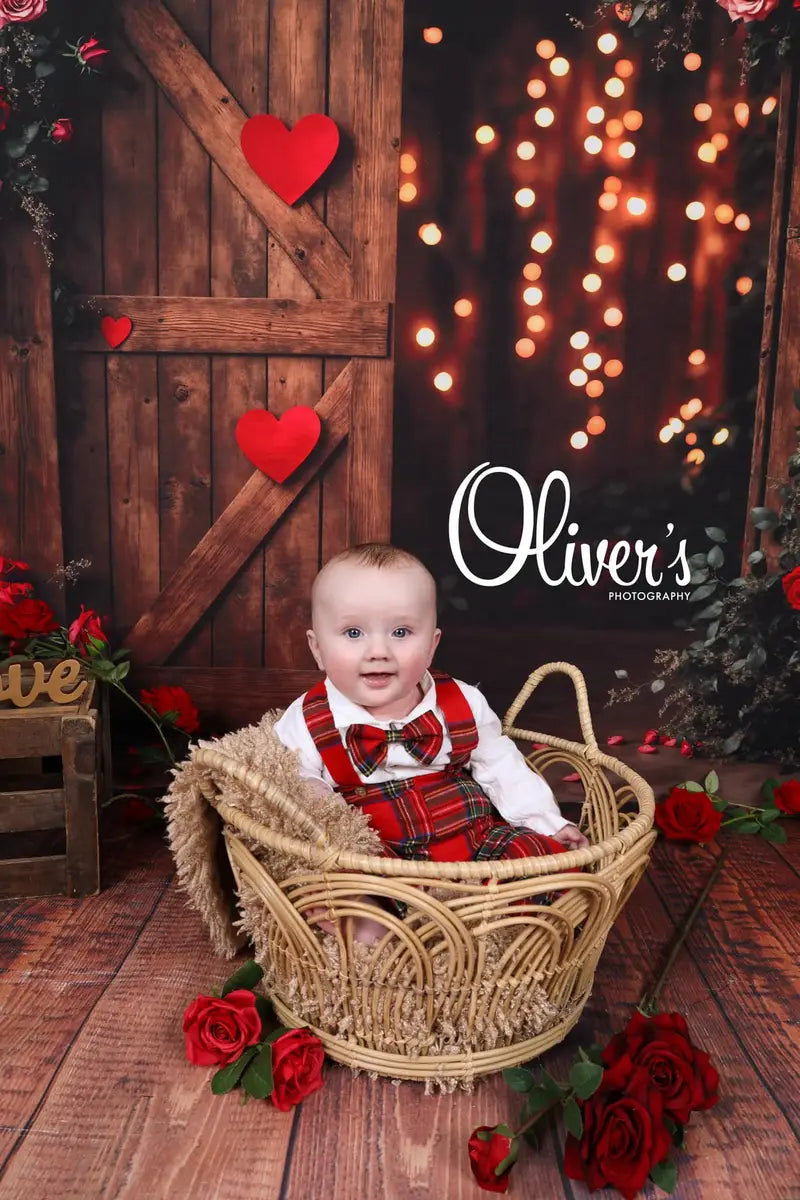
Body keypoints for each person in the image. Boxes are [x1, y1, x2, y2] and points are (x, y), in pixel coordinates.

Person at [273, 543, 589, 940]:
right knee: (346, 889)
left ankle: (491, 927)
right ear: (317, 649)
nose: (378, 652)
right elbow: (288, 778)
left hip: (471, 839)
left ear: (432, 644)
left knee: (548, 868)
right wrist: (321, 803)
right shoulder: (306, 717)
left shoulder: (461, 700)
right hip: (377, 855)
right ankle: (385, 931)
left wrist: (546, 823)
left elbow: (502, 766)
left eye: (401, 632)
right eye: (353, 633)